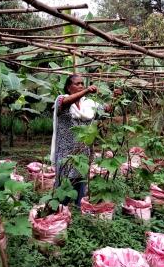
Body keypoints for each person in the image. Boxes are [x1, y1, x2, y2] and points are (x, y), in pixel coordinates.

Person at [50, 74, 120, 206]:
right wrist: (86, 90)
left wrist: (115, 98)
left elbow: (107, 110)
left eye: (83, 83)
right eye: (77, 84)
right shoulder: (62, 100)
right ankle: (60, 208)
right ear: (68, 87)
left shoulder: (88, 104)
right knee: (64, 181)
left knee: (81, 180)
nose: (81, 86)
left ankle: (78, 207)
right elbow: (64, 103)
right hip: (66, 151)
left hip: (83, 151)